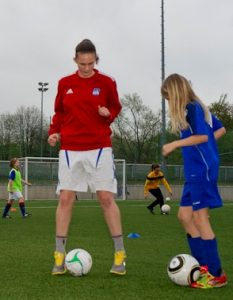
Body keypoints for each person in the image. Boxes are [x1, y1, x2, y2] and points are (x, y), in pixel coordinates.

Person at [48, 39, 126, 276]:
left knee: (105, 198)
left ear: (96, 60)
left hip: (99, 147)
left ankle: (120, 256)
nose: (86, 67)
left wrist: (108, 114)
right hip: (70, 148)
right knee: (65, 199)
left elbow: (116, 107)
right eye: (82, 63)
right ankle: (59, 258)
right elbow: (59, 112)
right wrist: (54, 132)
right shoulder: (64, 83)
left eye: (90, 63)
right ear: (75, 60)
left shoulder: (107, 82)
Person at [161, 73, 227, 289]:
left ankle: (216, 274)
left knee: (200, 218)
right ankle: (201, 267)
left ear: (177, 92)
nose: (168, 101)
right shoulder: (198, 108)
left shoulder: (192, 108)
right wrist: (206, 147)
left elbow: (203, 137)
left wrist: (175, 144)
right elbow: (219, 129)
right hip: (194, 170)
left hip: (202, 169)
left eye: (169, 97)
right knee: (184, 216)